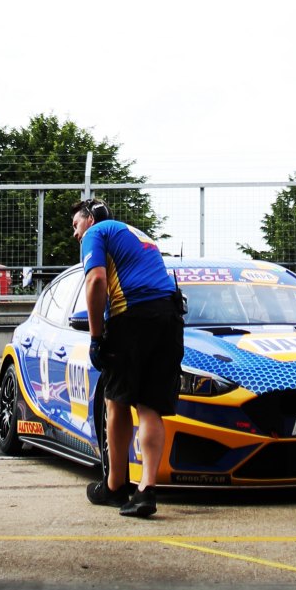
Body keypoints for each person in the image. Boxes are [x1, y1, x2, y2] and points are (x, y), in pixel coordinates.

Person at [72, 197, 184, 518]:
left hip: (132, 316)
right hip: (170, 316)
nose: (76, 235)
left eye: (76, 225)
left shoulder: (98, 232)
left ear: (89, 218)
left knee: (116, 400)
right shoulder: (138, 234)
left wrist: (96, 338)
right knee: (150, 406)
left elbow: (95, 281)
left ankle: (114, 486)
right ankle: (146, 490)